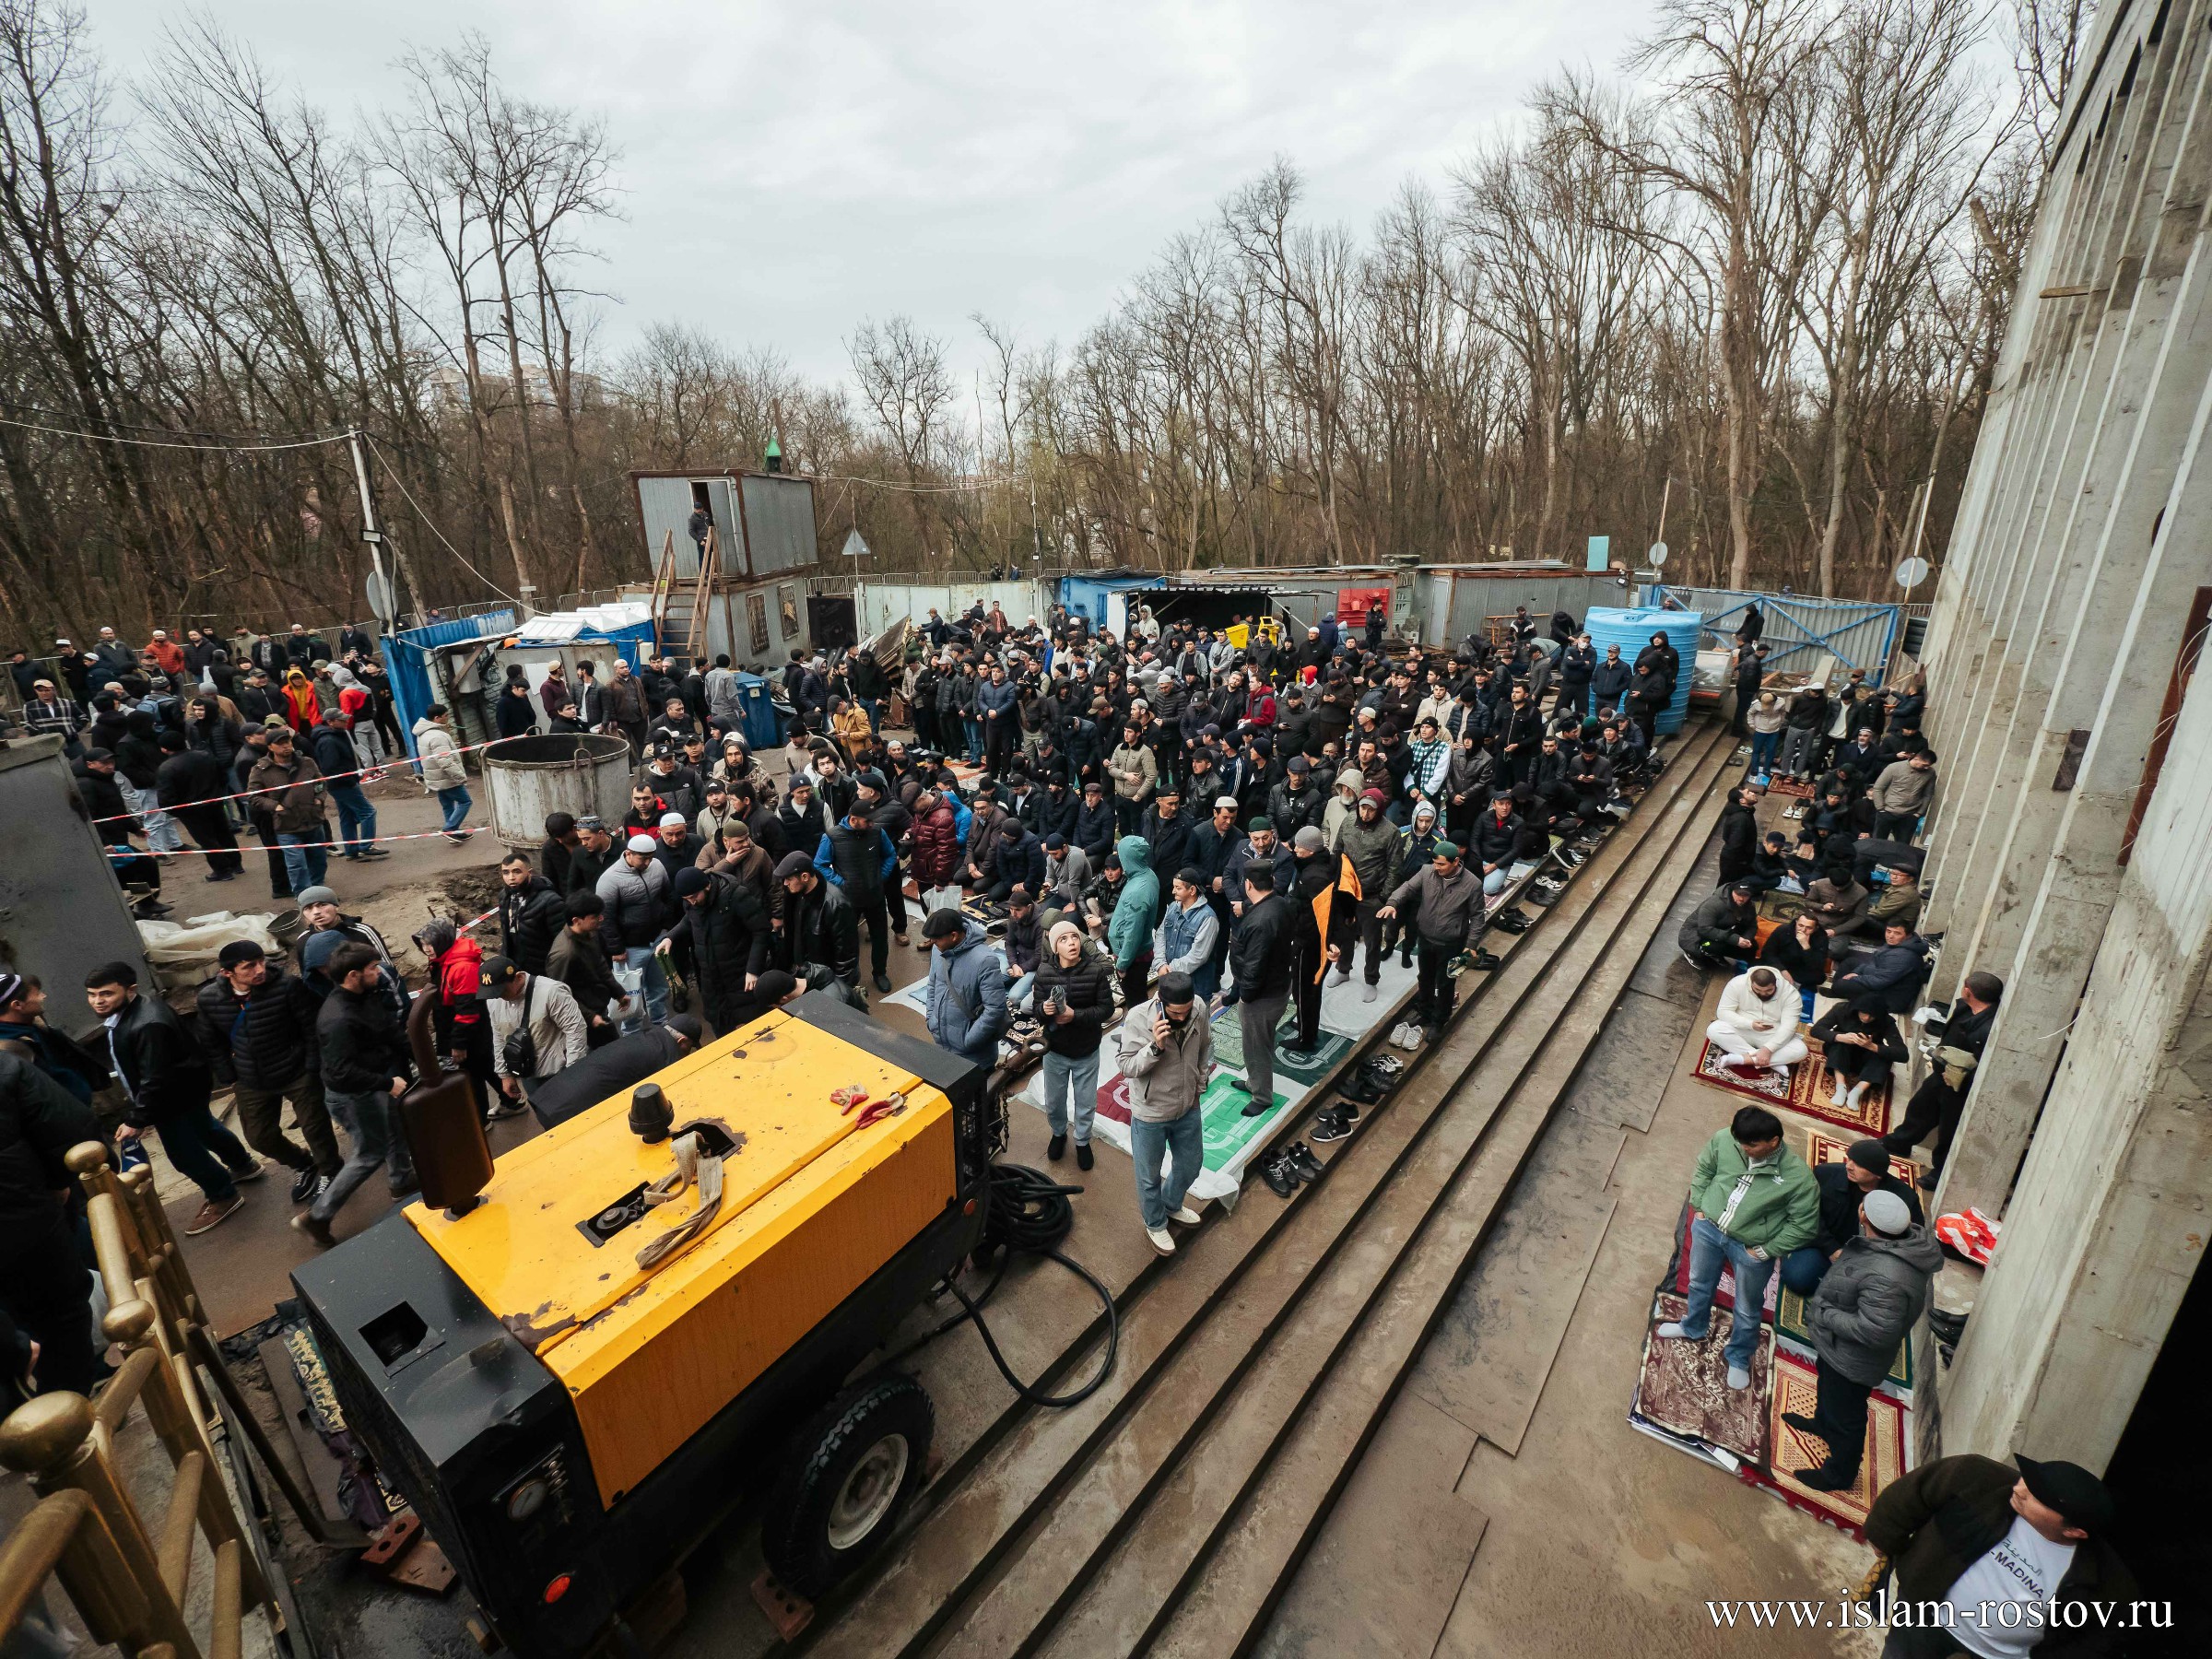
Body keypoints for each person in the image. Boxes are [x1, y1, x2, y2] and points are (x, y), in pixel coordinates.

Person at [1864, 1454, 2137, 1659]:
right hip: (1922, 1619)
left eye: (2036, 1497)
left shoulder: (2111, 1585)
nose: (2019, 1489)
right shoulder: (1976, 1477)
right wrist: (1883, 1536)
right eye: (2028, 1480)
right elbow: (1912, 1495)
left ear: (2074, 1531)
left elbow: (2101, 1640)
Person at [88, 959, 263, 1236]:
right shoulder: (137, 1011)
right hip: (187, 1087)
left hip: (171, 1098)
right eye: (92, 994)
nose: (98, 1001)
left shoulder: (147, 1024)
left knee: (184, 1154)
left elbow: (155, 1077)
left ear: (130, 990)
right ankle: (243, 1165)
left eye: (106, 994)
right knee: (205, 1129)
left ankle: (223, 1195)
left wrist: (137, 1119)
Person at [1783, 1186, 1938, 1494]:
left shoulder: (1887, 1276)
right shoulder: (1886, 1245)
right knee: (1829, 1392)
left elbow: (1876, 1331)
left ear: (1864, 1216)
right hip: (1838, 1348)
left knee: (1847, 1417)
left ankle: (1838, 1476)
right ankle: (1822, 1424)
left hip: (1853, 1359)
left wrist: (1826, 1315)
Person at [1657, 1106, 1818, 1390]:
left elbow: (1803, 1225)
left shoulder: (1798, 1178)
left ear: (1774, 1141)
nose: (1743, 1149)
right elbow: (1704, 1168)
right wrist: (1699, 1205)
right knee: (1698, 1282)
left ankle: (1739, 1357)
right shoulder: (1725, 1140)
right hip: (1708, 1229)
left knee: (1747, 1306)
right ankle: (1693, 1326)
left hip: (1750, 1248)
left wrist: (1765, 1250)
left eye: (1751, 1145)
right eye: (1739, 1142)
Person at [193, 940, 343, 1205]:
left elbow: (311, 1027)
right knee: (259, 1137)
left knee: (315, 1127)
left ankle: (331, 1170)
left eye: (262, 961)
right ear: (227, 973)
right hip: (250, 1078)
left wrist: (311, 1066)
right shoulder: (209, 999)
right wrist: (230, 1075)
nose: (260, 969)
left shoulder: (288, 986)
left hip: (296, 1071)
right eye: (249, 966)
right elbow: (211, 1041)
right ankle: (303, 1163)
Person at [295, 942, 417, 1245]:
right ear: (353, 975)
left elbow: (389, 1030)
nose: (378, 972)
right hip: (353, 1097)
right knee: (369, 1154)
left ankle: (401, 1181)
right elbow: (341, 1073)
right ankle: (317, 1217)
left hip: (371, 1084)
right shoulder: (337, 1018)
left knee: (396, 1130)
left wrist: (420, 1056)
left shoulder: (365, 995)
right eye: (372, 968)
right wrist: (386, 1084)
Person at [0, 1039, 101, 1396]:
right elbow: (74, 1128)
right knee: (62, 1319)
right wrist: (59, 1183)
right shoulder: (7, 1068)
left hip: (24, 1223)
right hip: (26, 1229)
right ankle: (67, 1411)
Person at [1116, 971, 1212, 1256]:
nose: (1182, 1017)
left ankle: (1171, 1205)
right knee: (1149, 1176)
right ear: (1160, 1001)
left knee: (1191, 1164)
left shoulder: (1199, 1008)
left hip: (1187, 1106)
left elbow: (1204, 1048)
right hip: (1151, 1113)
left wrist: (1199, 1088)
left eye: (1186, 1011)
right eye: (1175, 1013)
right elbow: (1126, 1066)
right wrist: (1154, 1048)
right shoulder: (1138, 1018)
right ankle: (1155, 1223)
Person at [1883, 970, 2003, 1189]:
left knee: (1948, 1131)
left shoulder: (1988, 1029)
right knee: (1919, 1108)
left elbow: (1986, 1066)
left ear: (1969, 991)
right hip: (1941, 1075)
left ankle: (1939, 1173)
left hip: (1958, 1087)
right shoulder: (1964, 1008)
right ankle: (1899, 1142)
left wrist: (1961, 1080)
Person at [1779, 1138, 1924, 1297]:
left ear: (1877, 1174)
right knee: (1798, 1279)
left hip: (1871, 1259)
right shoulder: (1825, 1175)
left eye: (1858, 1164)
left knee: (1876, 1295)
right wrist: (1832, 1249)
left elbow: (1912, 1242)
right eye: (1849, 1159)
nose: (1848, 1166)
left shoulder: (1903, 1199)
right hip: (1824, 1245)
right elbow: (1807, 1214)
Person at [1377, 839, 1488, 1035]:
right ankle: (1425, 1012)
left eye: (1442, 864)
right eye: (1435, 862)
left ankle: (1440, 1020)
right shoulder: (1426, 871)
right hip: (1426, 938)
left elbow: (1478, 917)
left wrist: (1471, 945)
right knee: (1424, 977)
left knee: (1446, 983)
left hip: (1452, 943)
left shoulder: (1472, 884)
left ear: (1455, 862)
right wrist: (1392, 902)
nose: (1437, 867)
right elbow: (1407, 888)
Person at [1034, 919, 1112, 1168]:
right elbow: (1036, 1010)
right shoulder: (1044, 972)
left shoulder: (1095, 972)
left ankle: (1082, 1141)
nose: (1072, 943)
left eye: (1075, 937)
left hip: (1086, 1051)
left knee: (1086, 1102)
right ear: (1055, 947)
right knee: (1054, 1101)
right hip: (1056, 1051)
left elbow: (1107, 1009)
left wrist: (1074, 1016)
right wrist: (1044, 1010)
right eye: (1064, 939)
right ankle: (1058, 1133)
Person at [1221, 862, 1292, 1117]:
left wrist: (1246, 996)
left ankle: (1262, 1096)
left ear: (1248, 884)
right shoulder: (1279, 903)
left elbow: (1254, 965)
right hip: (1278, 985)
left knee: (1256, 1046)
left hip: (1261, 996)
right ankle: (1254, 1082)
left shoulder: (1261, 920)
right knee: (1261, 1041)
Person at [665, 865, 772, 1032]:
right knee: (720, 1025)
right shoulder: (692, 903)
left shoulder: (736, 896)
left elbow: (761, 930)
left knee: (752, 1028)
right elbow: (689, 920)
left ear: (707, 886)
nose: (692, 902)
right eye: (687, 899)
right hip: (711, 980)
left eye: (694, 897)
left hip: (740, 976)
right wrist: (670, 937)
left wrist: (753, 969)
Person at [481, 954, 591, 1108]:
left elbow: (575, 1030)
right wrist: (504, 1075)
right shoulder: (494, 1000)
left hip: (560, 1071)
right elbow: (499, 1036)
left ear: (518, 977)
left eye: (502, 990)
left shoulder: (551, 991)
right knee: (545, 1116)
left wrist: (572, 1072)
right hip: (529, 1076)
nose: (498, 996)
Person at [596, 833, 673, 1029]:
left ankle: (661, 1026)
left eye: (650, 857)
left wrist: (666, 929)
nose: (647, 862)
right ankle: (633, 1033)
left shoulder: (657, 866)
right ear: (629, 853)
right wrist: (616, 949)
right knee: (630, 995)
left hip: (657, 940)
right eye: (643, 858)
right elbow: (605, 918)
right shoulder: (610, 879)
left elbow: (666, 896)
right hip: (630, 948)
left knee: (659, 989)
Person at [249, 725, 330, 898]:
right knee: (297, 866)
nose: (286, 746)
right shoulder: (260, 769)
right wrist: (274, 806)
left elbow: (321, 783)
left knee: (319, 861)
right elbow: (253, 797)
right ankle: (304, 898)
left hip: (313, 820)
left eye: (288, 742)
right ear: (270, 747)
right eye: (280, 743)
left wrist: (319, 799)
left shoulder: (307, 762)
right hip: (286, 825)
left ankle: (318, 893)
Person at [922, 906, 1007, 1069]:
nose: (932, 943)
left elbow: (995, 1009)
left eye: (936, 939)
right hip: (942, 1046)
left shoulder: (985, 960)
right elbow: (933, 984)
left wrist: (968, 1041)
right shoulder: (938, 950)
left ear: (954, 936)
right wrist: (931, 1020)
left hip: (975, 1057)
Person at [777, 851, 864, 1006]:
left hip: (825, 980)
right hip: (804, 973)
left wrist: (839, 994)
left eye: (789, 879)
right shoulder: (793, 895)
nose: (785, 883)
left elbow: (846, 957)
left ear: (805, 877)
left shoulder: (836, 904)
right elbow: (791, 935)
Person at [545, 891, 626, 1044]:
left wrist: (618, 992)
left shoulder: (589, 933)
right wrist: (590, 1017)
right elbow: (560, 994)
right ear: (576, 921)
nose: (601, 919)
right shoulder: (564, 954)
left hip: (597, 1008)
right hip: (583, 1018)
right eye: (595, 916)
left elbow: (600, 965)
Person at [1706, 965, 1807, 1079]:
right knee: (1713, 1030)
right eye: (1758, 990)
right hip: (1742, 1027)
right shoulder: (1736, 984)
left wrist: (1768, 1049)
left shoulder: (1791, 994)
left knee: (1800, 1050)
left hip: (1772, 1033)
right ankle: (1772, 1063)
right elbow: (1723, 1012)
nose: (1763, 994)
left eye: (1769, 990)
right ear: (1751, 983)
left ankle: (1741, 1059)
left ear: (1776, 984)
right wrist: (1750, 1024)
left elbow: (1788, 1027)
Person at [1809, 997, 1908, 1115]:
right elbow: (1816, 1030)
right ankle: (1841, 1088)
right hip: (1841, 1053)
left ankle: (1856, 1092)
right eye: (1864, 1013)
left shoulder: (1886, 1021)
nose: (1866, 1018)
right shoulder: (1841, 1009)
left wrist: (1872, 1046)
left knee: (1884, 1054)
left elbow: (1903, 1054)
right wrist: (1840, 1037)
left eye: (1871, 1016)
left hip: (1866, 1059)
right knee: (1839, 1044)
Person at [1106, 834, 1160, 1008]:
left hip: (1133, 958)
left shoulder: (1138, 891)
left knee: (1136, 1003)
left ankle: (1140, 1025)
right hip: (1135, 954)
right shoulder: (1147, 874)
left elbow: (1133, 932)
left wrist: (1122, 964)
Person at [497, 851, 567, 975]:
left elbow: (562, 942)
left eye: (517, 872)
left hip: (543, 969)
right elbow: (506, 934)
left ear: (529, 873)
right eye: (506, 872)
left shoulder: (550, 901)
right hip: (515, 965)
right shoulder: (504, 896)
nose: (511, 877)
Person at [414, 702, 474, 841]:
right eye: (446, 715)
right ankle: (449, 828)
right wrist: (460, 776)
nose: (448, 718)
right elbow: (445, 761)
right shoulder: (438, 736)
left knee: (447, 806)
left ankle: (453, 832)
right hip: (447, 778)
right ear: (437, 718)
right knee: (465, 802)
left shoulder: (423, 733)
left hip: (435, 777)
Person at [1677, 878, 1759, 971]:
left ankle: (1749, 969)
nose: (1741, 898)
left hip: (1723, 930)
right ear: (1732, 891)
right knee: (1712, 946)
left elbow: (1752, 925)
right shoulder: (1713, 905)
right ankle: (1695, 953)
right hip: (1696, 936)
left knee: (1752, 947)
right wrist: (1735, 939)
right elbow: (1705, 930)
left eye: (1746, 895)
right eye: (1738, 894)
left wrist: (1746, 938)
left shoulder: (1749, 905)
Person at [1869, 748, 1937, 841]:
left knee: (1903, 846)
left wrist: (1918, 813)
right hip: (1887, 811)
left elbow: (1928, 794)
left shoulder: (1930, 773)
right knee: (1877, 842)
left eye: (1928, 766)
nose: (1926, 768)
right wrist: (1880, 809)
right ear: (1916, 759)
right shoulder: (1894, 768)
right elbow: (1878, 788)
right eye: (1924, 765)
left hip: (1909, 815)